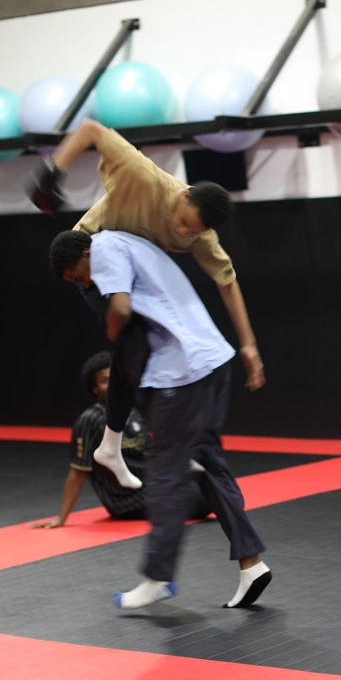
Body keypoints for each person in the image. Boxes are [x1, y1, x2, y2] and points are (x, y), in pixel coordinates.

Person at [27, 121, 265, 491]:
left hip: (137, 280)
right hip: (92, 264)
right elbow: (90, 129)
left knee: (165, 348)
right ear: (184, 196)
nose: (183, 233)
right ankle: (139, 442)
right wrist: (51, 172)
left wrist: (248, 344)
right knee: (135, 340)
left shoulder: (201, 235)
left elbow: (227, 280)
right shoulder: (142, 175)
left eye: (193, 232)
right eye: (184, 223)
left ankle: (124, 443)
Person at [50, 229, 270, 609]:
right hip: (211, 361)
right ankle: (251, 563)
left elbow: (120, 310)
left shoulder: (104, 247)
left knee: (166, 471)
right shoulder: (129, 242)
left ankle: (159, 575)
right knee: (208, 465)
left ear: (86, 253)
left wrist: (111, 326)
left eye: (80, 276)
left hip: (180, 372)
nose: (84, 285)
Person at [30, 352, 211, 528]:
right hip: (128, 501)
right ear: (94, 388)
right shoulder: (89, 420)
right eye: (104, 381)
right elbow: (78, 471)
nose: (112, 386)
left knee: (212, 482)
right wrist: (61, 518)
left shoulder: (132, 412)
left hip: (154, 485)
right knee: (206, 497)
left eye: (115, 380)